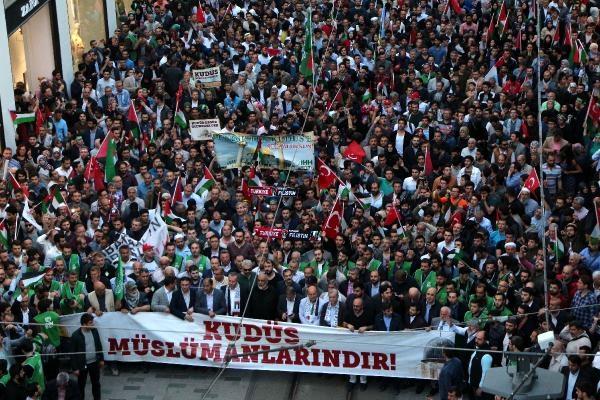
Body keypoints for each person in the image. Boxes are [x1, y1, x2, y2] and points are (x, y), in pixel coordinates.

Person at [70, 313, 104, 400]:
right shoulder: (75, 335)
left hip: (94, 363)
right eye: (90, 323)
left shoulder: (94, 331)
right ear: (84, 324)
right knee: (81, 385)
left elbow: (99, 345)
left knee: (96, 383)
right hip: (82, 365)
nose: (93, 324)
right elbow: (73, 353)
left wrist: (101, 359)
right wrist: (75, 368)